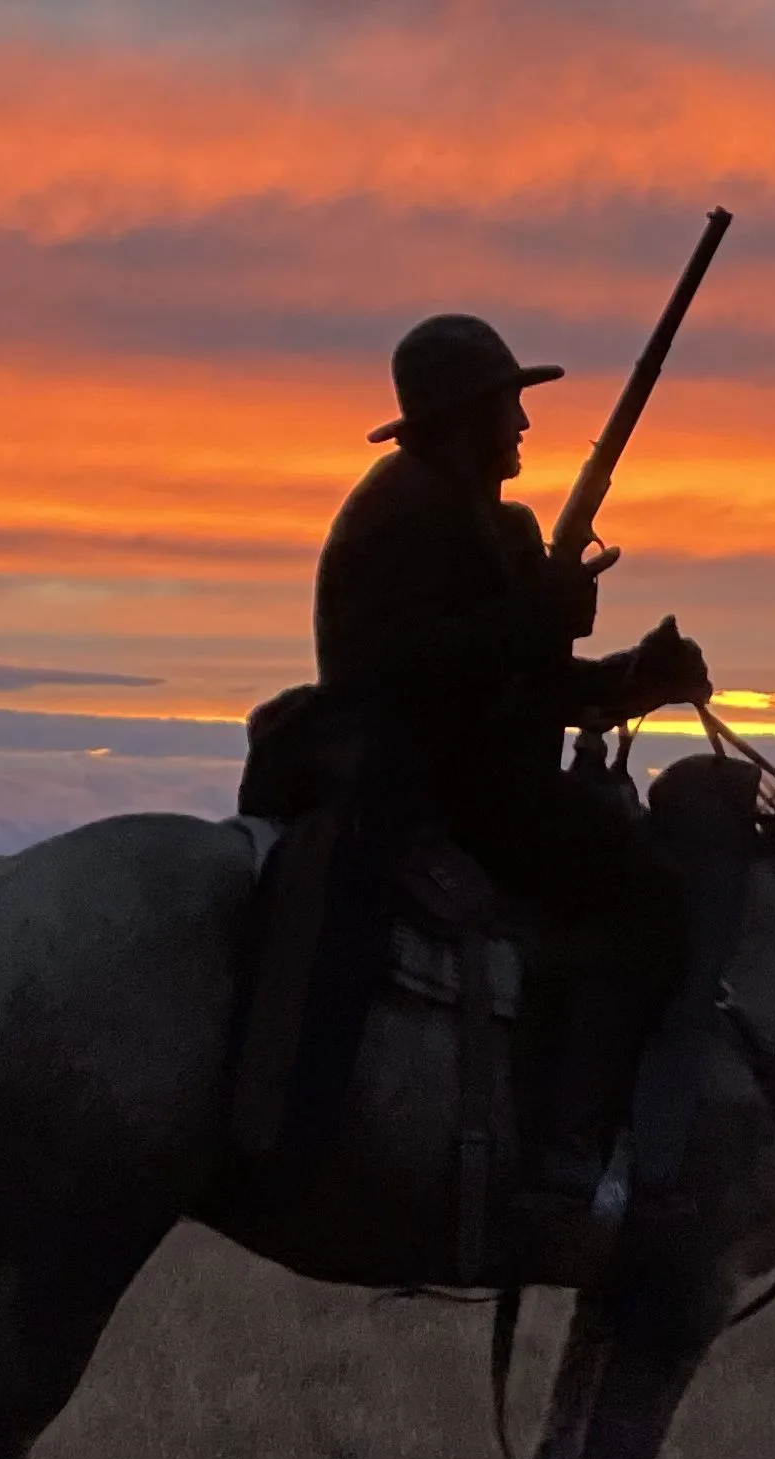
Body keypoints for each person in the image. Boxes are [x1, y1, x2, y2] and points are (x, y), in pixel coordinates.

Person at [291, 313, 715, 1188]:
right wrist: (537, 616)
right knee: (646, 906)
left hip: (481, 773)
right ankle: (568, 1140)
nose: (522, 426)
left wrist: (637, 677)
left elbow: (526, 681)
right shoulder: (399, 517)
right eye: (506, 407)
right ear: (461, 419)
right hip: (431, 786)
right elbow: (392, 670)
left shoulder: (489, 521)